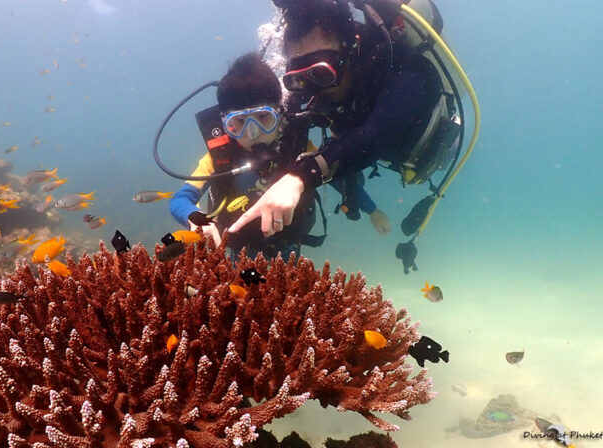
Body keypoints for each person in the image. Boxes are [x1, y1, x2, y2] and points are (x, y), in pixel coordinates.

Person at [229, 0, 461, 254]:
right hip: (359, 141)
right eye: (298, 80)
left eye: (322, 74)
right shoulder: (313, 90)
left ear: (351, 49)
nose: (312, 90)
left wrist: (299, 177)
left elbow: (373, 135)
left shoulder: (403, 70)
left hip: (419, 145)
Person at [169, 52, 389, 260]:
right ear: (226, 125)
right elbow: (180, 199)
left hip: (288, 249)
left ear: (281, 115)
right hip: (237, 250)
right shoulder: (218, 157)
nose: (253, 133)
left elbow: (342, 184)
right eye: (239, 123)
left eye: (264, 118)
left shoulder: (300, 150)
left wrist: (374, 211)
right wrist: (197, 221)